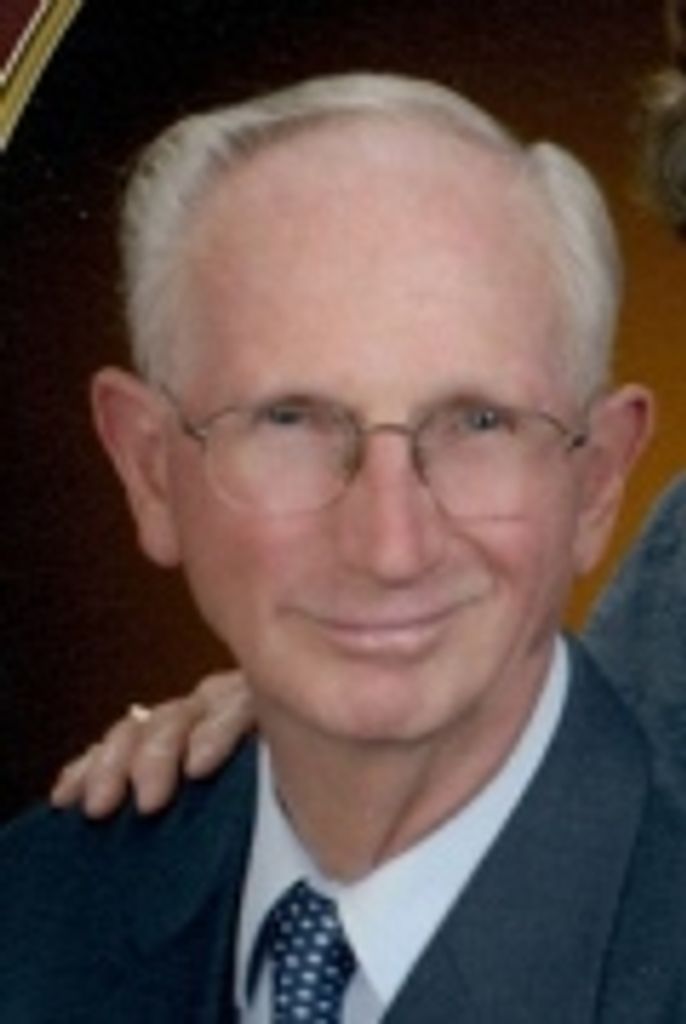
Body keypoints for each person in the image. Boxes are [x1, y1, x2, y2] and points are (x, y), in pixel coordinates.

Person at [4, 71, 673, 1020]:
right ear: (150, 470)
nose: (389, 546)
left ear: (598, 479)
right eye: (290, 420)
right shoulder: (30, 916)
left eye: (478, 422)